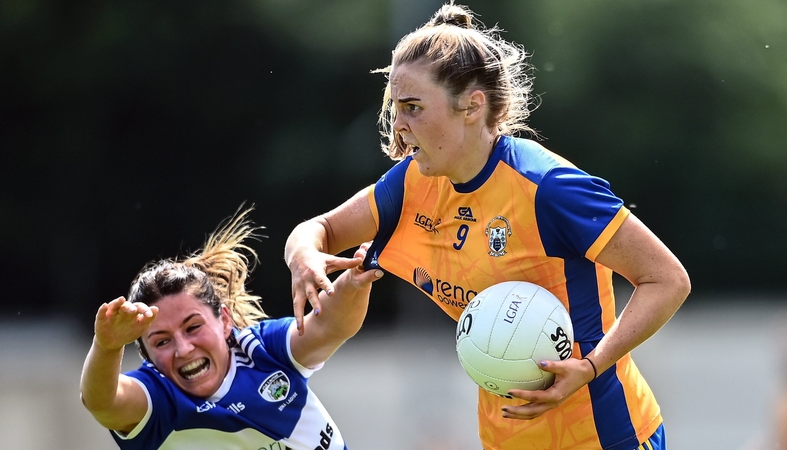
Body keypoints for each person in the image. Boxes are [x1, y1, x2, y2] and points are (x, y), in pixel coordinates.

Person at [284, 2, 691, 449]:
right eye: (395, 108)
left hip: (607, 436)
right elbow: (317, 229)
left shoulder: (548, 189)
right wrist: (303, 257)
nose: (398, 127)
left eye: (414, 108)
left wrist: (591, 366)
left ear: (472, 106)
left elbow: (667, 279)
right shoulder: (412, 184)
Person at [80, 207, 382, 450]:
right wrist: (107, 346)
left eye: (193, 327)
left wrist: (354, 283)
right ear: (147, 357)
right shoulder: (159, 402)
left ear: (225, 320)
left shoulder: (260, 349)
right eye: (161, 342)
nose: (184, 349)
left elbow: (329, 327)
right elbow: (102, 402)